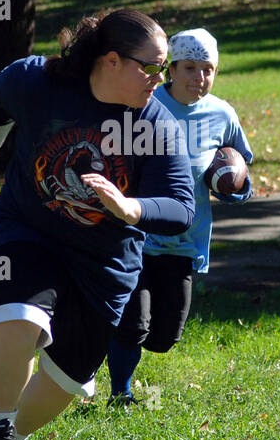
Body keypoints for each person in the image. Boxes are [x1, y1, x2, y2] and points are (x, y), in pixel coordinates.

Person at [0, 8, 195, 440]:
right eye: (150, 68)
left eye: (163, 69)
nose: (159, 80)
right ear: (111, 60)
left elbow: (180, 205)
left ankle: (15, 438)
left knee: (66, 378)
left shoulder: (156, 123)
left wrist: (131, 208)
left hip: (105, 262)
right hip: (30, 229)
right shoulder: (39, 82)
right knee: (19, 318)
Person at [105, 28, 253, 405]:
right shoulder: (144, 104)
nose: (198, 78)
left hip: (184, 240)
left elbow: (239, 168)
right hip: (135, 233)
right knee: (133, 324)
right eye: (189, 68)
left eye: (207, 69)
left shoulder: (222, 114)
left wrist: (237, 188)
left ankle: (101, 335)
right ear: (170, 68)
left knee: (164, 336)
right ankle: (120, 392)